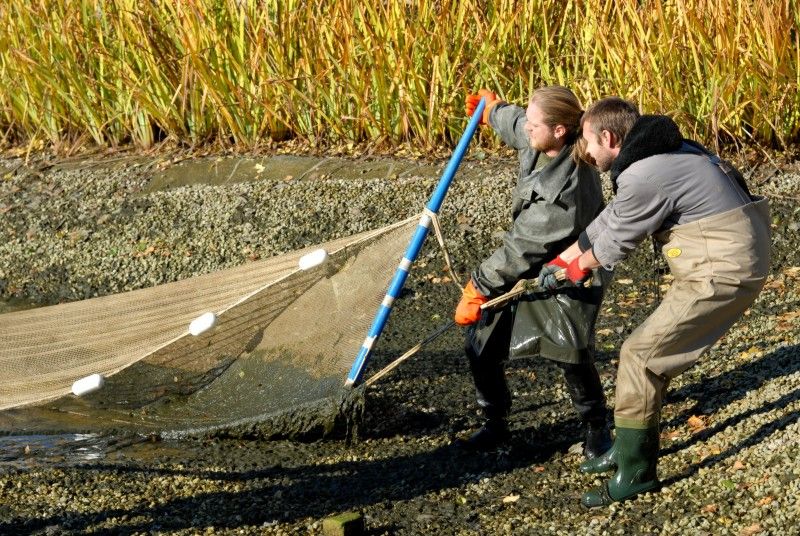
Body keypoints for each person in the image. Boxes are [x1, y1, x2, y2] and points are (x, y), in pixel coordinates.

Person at [537, 97, 770, 507]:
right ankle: (624, 450)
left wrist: (577, 269)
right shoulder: (665, 153)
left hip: (724, 270)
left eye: (589, 145)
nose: (587, 154)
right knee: (645, 355)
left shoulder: (646, 173)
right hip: (728, 256)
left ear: (609, 138)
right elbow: (611, 219)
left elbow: (618, 239)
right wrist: (564, 257)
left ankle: (637, 471)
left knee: (641, 356)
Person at [453, 86, 612, 458]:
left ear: (559, 130)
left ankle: (596, 428)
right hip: (524, 268)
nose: (528, 129)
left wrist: (478, 286)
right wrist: (492, 110)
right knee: (482, 343)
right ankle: (495, 424)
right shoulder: (540, 139)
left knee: (571, 352)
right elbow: (518, 123)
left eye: (535, 124)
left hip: (569, 270)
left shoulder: (568, 185)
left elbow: (523, 246)